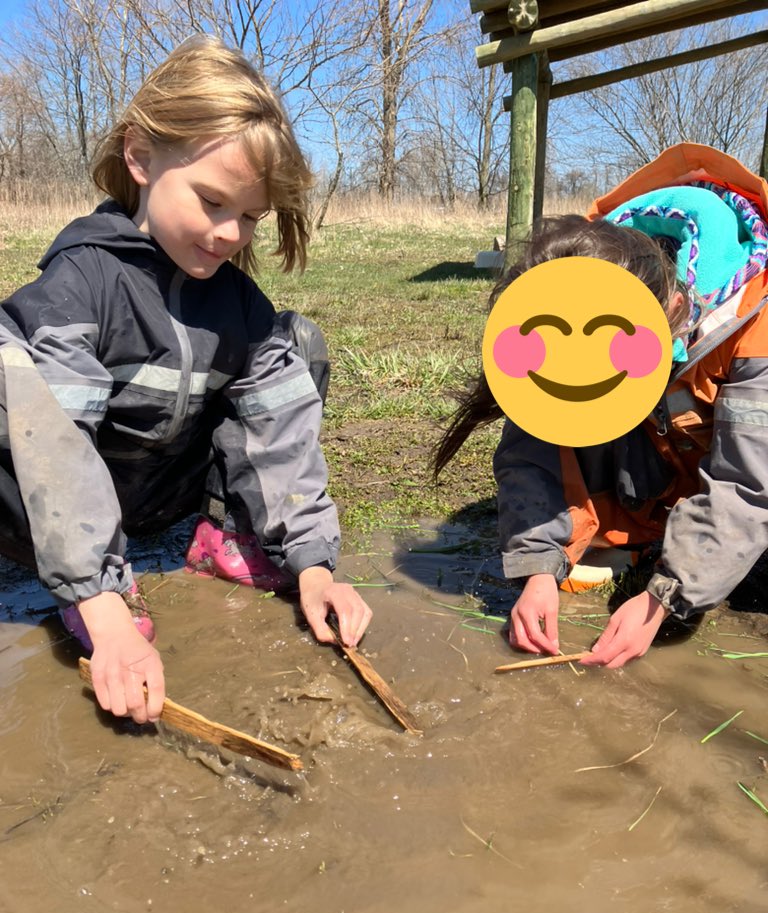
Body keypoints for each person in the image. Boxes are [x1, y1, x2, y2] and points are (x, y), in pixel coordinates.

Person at [0, 35, 371, 723]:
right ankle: (94, 587)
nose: (232, 233)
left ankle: (220, 536)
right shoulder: (81, 286)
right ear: (140, 157)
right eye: (212, 202)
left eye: (251, 217)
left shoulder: (238, 306)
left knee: (295, 348)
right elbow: (54, 454)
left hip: (163, 495)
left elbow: (279, 436)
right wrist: (104, 612)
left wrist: (314, 566)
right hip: (54, 510)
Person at [434, 143, 768, 669]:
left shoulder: (755, 324)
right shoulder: (583, 266)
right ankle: (634, 536)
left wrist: (665, 599)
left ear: (675, 308)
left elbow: (748, 483)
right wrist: (538, 571)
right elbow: (533, 446)